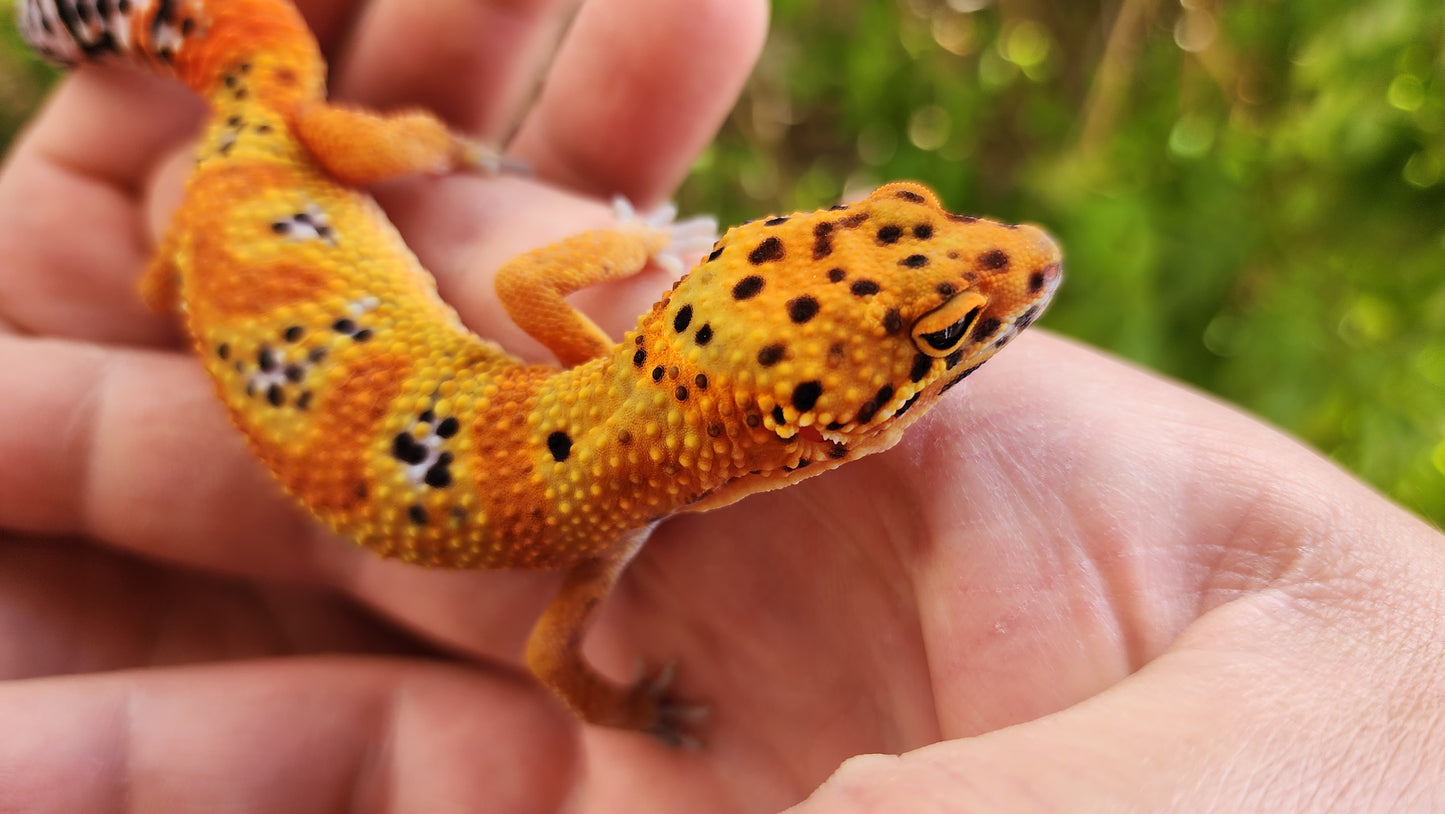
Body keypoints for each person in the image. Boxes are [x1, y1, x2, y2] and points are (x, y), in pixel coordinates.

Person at [1, 0, 1440, 809]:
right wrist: (640, 709)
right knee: (287, 84)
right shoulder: (597, 518)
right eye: (952, 322)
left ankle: (147, 149)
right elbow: (562, 660)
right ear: (827, 437)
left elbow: (532, 292)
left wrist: (636, 242)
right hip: (267, 196)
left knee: (266, 99)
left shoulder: (596, 445)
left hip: (241, 247)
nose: (1019, 269)